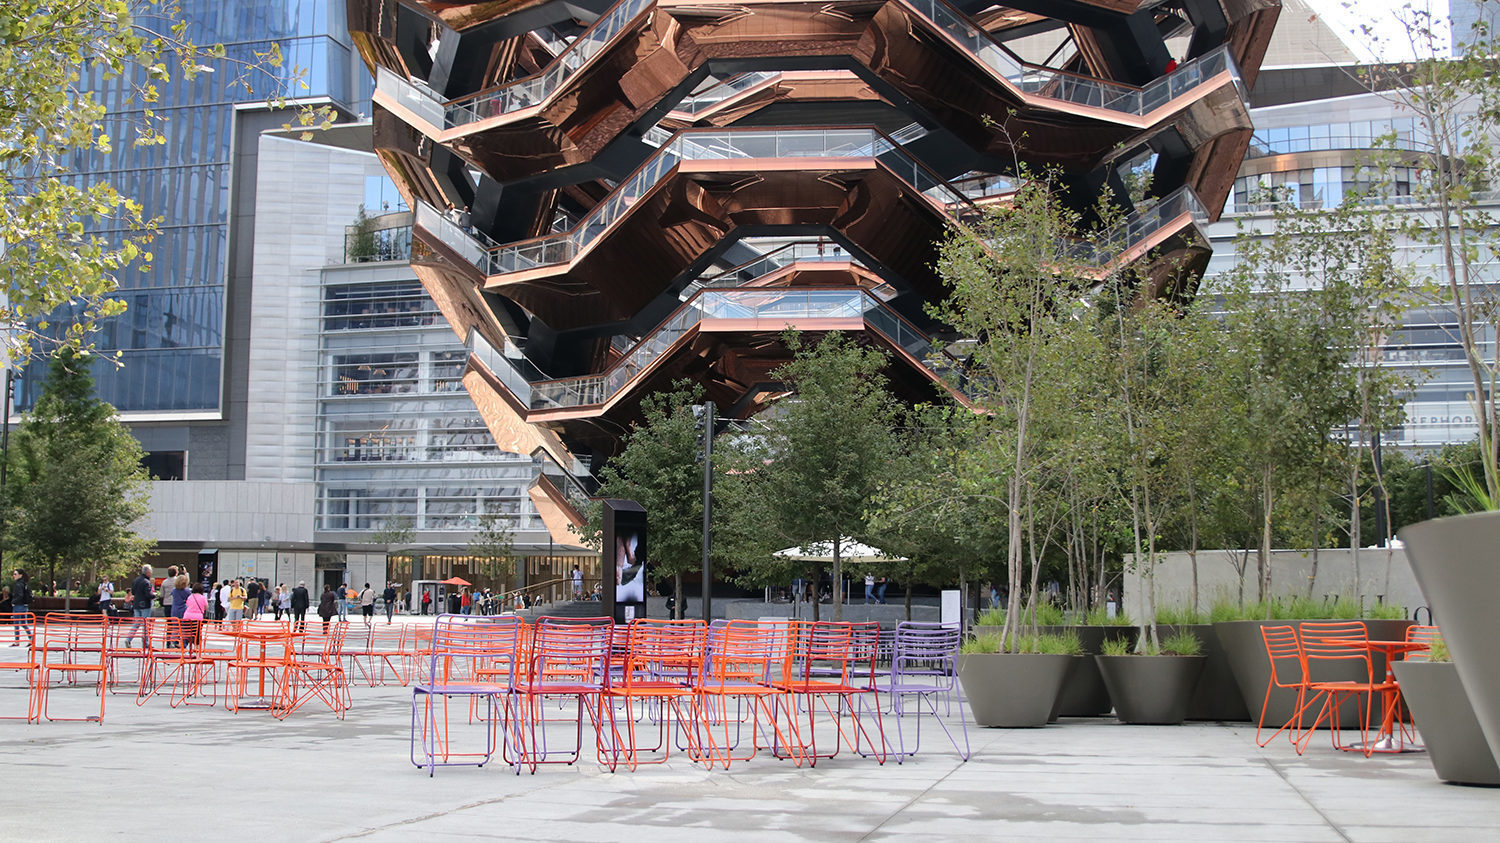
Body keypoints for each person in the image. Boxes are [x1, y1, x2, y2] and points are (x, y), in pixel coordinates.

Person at [125, 564, 154, 648]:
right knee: (145, 624)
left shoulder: (135, 580)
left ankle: (129, 639)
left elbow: (133, 592)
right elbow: (148, 594)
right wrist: (154, 595)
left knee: (136, 622)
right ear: (148, 572)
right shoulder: (146, 582)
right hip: (145, 605)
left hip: (136, 604)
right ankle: (146, 642)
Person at [181, 582, 209, 649]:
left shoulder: (190, 597)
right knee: (197, 634)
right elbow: (206, 608)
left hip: (187, 617)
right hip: (198, 618)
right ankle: (197, 648)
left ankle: (184, 646)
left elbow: (187, 605)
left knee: (187, 633)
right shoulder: (203, 598)